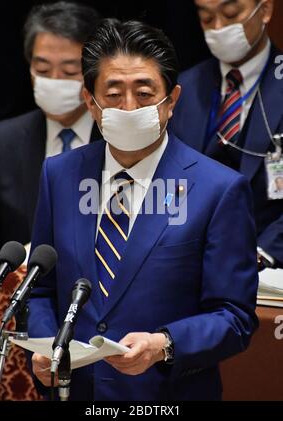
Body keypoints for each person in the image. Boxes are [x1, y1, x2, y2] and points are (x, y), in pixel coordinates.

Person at [28, 18, 258, 401]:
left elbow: (234, 317)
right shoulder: (60, 174)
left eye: (145, 93)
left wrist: (164, 344)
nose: (129, 107)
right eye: (114, 93)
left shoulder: (220, 189)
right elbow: (41, 289)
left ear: (172, 101)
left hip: (165, 395)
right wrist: (48, 346)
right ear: (90, 102)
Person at [169, 0, 283, 271]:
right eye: (207, 18)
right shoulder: (182, 88)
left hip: (267, 266)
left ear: (264, 10)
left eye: (231, 15)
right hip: (188, 263)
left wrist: (261, 254)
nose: (218, 28)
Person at [0, 2, 101, 252]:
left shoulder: (119, 138)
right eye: (43, 69)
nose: (55, 81)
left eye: (70, 71)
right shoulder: (1, 142)